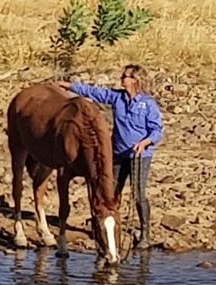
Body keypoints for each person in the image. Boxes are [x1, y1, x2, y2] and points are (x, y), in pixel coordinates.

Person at [69, 64, 164, 250]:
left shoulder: (148, 104)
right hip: (118, 155)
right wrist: (71, 86)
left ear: (135, 80)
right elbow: (95, 92)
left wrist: (145, 142)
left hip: (140, 156)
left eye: (126, 76)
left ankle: (145, 234)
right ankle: (110, 226)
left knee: (138, 194)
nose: (122, 78)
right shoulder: (117, 97)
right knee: (111, 192)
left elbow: (157, 130)